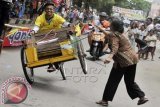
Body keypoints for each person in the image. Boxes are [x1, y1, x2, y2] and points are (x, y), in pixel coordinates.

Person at [95, 18, 148, 106]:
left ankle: (105, 100)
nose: (109, 26)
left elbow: (115, 48)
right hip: (133, 59)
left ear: (113, 26)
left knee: (113, 81)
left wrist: (109, 57)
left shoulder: (114, 35)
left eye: (110, 25)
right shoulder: (121, 34)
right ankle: (142, 97)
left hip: (123, 61)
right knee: (130, 81)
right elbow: (108, 34)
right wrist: (100, 29)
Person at [30, 2, 70, 72]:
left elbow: (64, 23)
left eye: (51, 9)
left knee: (65, 45)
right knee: (44, 49)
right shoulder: (40, 18)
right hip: (44, 37)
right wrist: (33, 31)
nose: (49, 10)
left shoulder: (57, 17)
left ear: (53, 10)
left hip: (56, 35)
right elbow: (36, 26)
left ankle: (58, 61)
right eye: (47, 9)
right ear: (45, 10)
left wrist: (69, 25)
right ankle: (51, 64)